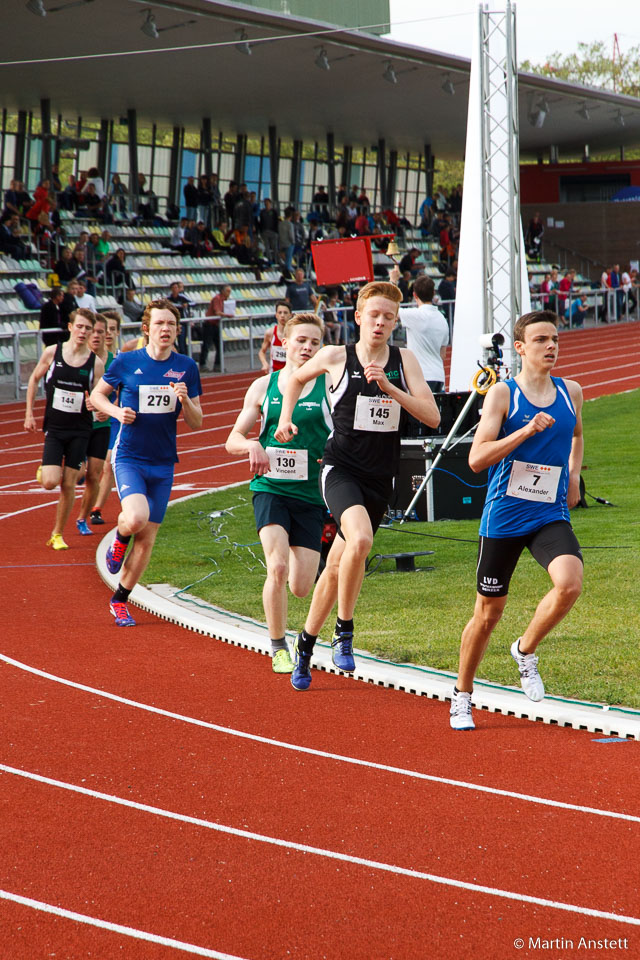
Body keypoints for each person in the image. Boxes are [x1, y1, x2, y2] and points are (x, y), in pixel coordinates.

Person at [275, 281, 440, 690]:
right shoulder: (334, 356)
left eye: (389, 317)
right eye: (374, 315)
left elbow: (433, 417)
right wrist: (284, 417)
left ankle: (305, 645)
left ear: (396, 321)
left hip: (381, 477)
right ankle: (344, 631)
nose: (381, 322)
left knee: (334, 569)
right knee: (361, 540)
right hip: (340, 469)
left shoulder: (405, 361)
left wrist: (390, 387)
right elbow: (292, 379)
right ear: (358, 317)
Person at [449, 309, 584, 731]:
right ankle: (463, 695)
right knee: (488, 615)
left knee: (569, 583)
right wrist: (524, 431)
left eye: (555, 339)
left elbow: (577, 435)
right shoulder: (503, 396)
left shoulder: (571, 391)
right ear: (521, 348)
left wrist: (575, 474)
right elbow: (475, 459)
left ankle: (525, 651)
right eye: (541, 340)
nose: (551, 347)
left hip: (549, 511)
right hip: (505, 516)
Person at [225, 312, 332, 673]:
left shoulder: (328, 387)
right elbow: (232, 439)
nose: (307, 348)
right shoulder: (264, 386)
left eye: (315, 342)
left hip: (311, 495)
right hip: (269, 487)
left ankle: (296, 632)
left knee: (301, 586)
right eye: (301, 340)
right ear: (284, 343)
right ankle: (277, 647)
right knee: (277, 565)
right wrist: (251, 445)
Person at [90, 299, 203, 627]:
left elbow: (197, 422)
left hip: (163, 462)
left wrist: (184, 400)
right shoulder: (127, 361)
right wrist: (115, 411)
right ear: (147, 329)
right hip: (130, 457)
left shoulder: (186, 368)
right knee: (136, 518)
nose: (165, 329)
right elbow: (97, 395)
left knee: (148, 539)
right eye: (159, 324)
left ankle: (120, 599)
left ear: (178, 330)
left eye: (171, 324)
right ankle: (119, 539)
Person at [24, 309, 104, 550]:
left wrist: (97, 407)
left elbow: (99, 397)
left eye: (87, 329)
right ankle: (46, 470)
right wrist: (29, 412)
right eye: (79, 327)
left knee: (69, 484)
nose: (83, 332)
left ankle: (57, 534)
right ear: (70, 327)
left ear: (91, 332)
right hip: (55, 429)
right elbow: (34, 379)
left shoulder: (95, 363)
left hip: (81, 430)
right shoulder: (52, 353)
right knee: (50, 482)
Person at [74, 313, 114, 534]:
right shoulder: (76, 359)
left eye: (101, 331)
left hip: (101, 426)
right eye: (93, 331)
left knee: (95, 474)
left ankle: (82, 518)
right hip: (78, 425)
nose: (96, 335)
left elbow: (119, 392)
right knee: (78, 474)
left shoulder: (113, 362)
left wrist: (107, 411)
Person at [393, 268, 449, 393]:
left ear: (414, 295)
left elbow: (391, 309)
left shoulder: (416, 315)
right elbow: (443, 353)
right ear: (433, 293)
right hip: (439, 376)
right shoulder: (442, 319)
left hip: (421, 376)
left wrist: (393, 281)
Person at [90, 311, 122, 525]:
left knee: (109, 463)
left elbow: (124, 392)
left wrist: (110, 408)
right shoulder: (85, 359)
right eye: (104, 329)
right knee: (88, 469)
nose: (107, 334)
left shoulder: (119, 360)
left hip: (112, 419)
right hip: (86, 420)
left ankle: (96, 509)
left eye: (112, 329)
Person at [258, 300, 292, 373]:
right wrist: (265, 364)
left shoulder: (295, 334)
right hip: (274, 374)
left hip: (290, 374)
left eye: (285, 313)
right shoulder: (270, 333)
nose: (282, 315)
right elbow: (262, 352)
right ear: (276, 315)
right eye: (280, 312)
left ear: (290, 315)